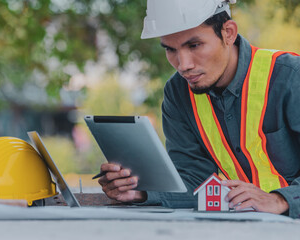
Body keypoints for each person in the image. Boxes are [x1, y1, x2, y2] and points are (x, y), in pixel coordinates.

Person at [97, 0, 300, 218]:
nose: (183, 65)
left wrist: (280, 199)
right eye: (170, 49)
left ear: (228, 33)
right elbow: (196, 181)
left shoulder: (290, 76)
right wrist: (140, 190)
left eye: (194, 45)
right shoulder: (178, 93)